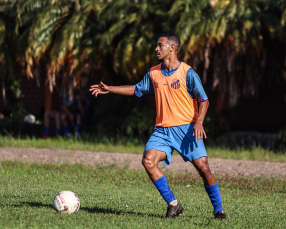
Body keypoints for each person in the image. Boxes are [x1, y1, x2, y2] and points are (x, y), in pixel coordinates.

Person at [89, 33, 226, 220]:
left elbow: (204, 100)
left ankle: (218, 210)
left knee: (203, 168)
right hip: (162, 131)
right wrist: (110, 88)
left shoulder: (188, 73)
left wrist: (199, 122)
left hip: (187, 129)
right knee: (148, 161)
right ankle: (173, 204)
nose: (156, 48)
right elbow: (137, 89)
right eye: (157, 45)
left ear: (172, 48)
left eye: (160, 45)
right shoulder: (154, 72)